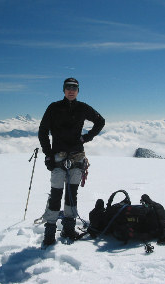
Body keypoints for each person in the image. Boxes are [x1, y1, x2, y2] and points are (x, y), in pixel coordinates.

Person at [38, 77, 105, 246]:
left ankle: (68, 229)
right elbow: (43, 131)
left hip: (76, 156)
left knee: (71, 193)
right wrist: (48, 154)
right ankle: (50, 232)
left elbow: (100, 121)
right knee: (56, 194)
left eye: (74, 87)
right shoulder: (54, 108)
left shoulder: (82, 108)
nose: (71, 90)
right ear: (63, 89)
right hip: (58, 156)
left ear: (78, 90)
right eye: (68, 87)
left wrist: (86, 137)